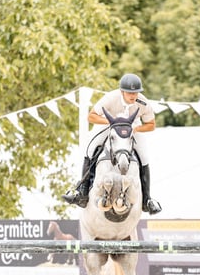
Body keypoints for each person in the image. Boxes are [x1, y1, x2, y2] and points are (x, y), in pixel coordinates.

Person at [62, 73, 162, 214]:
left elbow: (151, 125)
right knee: (90, 149)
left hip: (132, 127)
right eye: (129, 93)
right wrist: (110, 122)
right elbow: (91, 116)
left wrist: (137, 128)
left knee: (144, 157)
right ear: (122, 92)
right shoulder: (110, 98)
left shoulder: (143, 103)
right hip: (109, 124)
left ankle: (147, 200)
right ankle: (82, 191)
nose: (133, 96)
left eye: (136, 92)